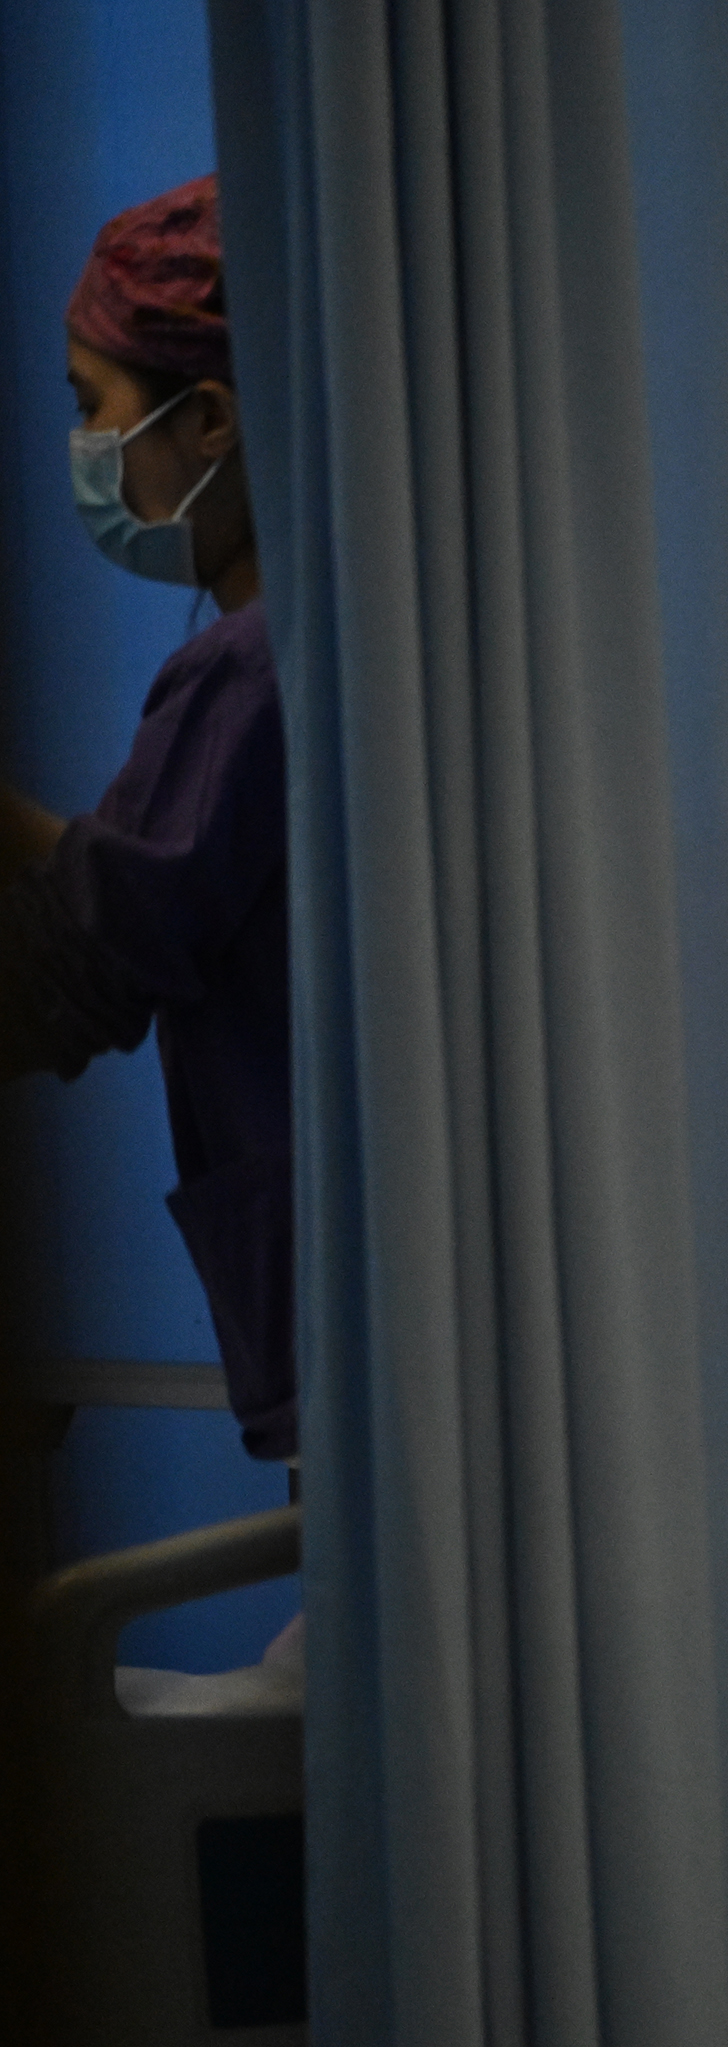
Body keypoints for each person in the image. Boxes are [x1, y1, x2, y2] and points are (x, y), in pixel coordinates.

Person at [0, 175, 291, 1466]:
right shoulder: (346, 642)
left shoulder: (253, 669)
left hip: (351, 1318)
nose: (85, 446)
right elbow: (152, 883)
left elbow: (82, 961)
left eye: (92, 404)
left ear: (210, 416)